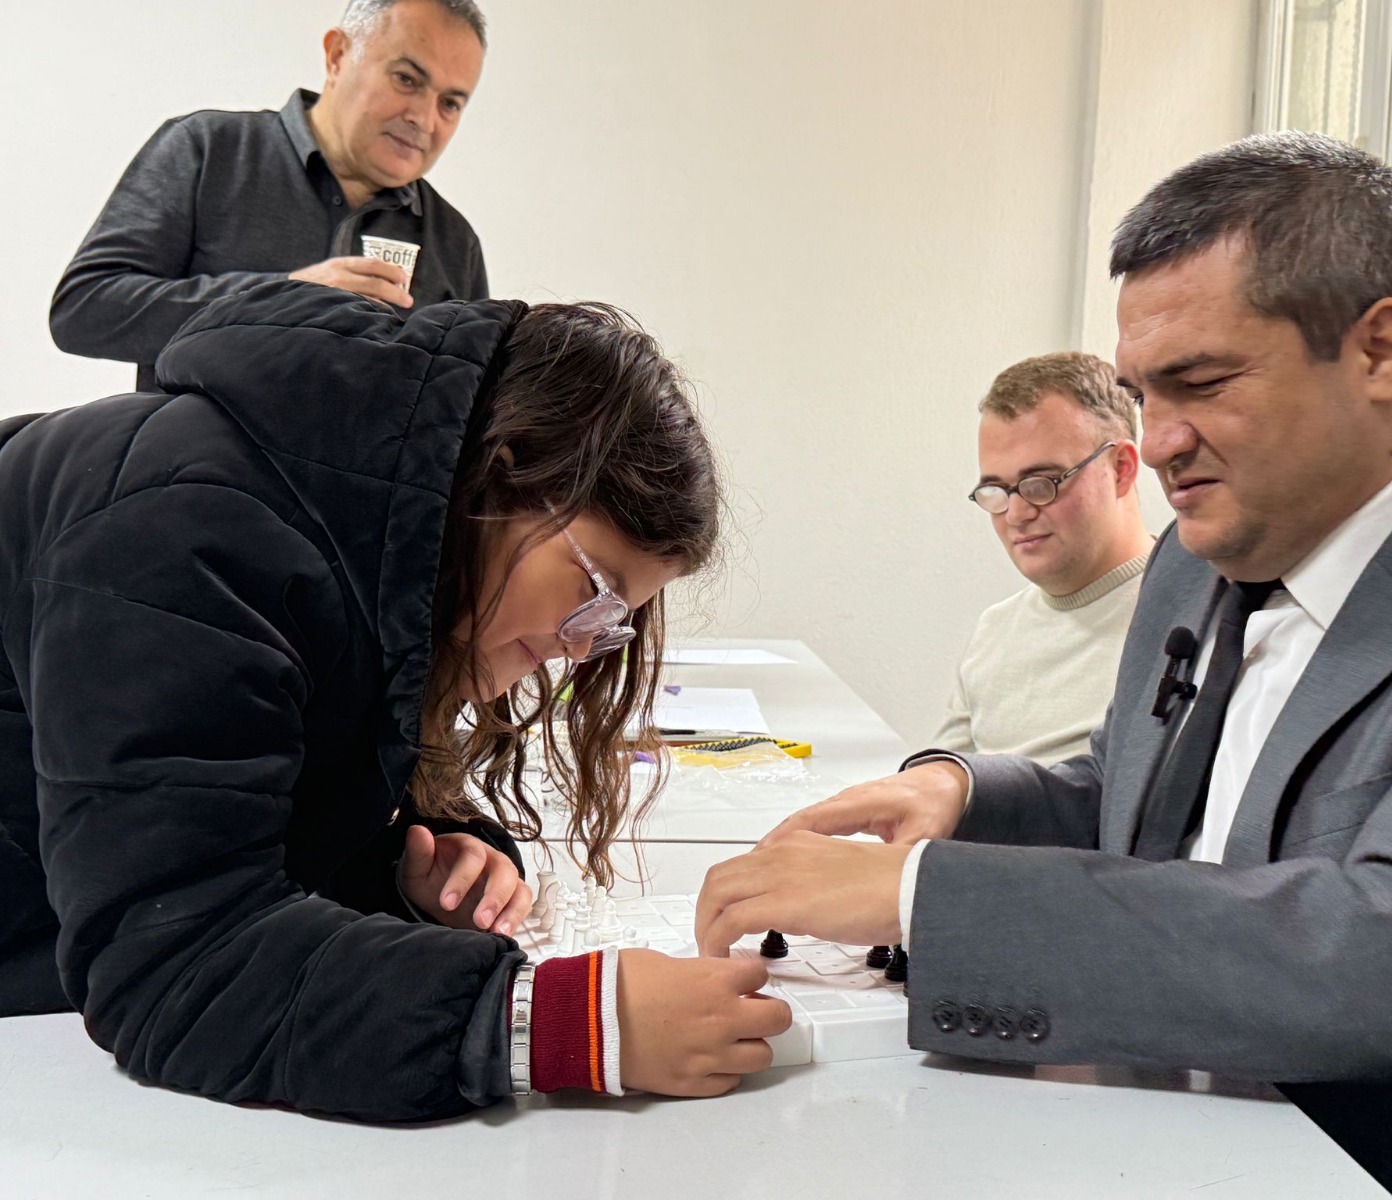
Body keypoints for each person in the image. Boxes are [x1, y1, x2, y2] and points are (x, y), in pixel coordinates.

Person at [696, 132, 1392, 1200]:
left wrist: (918, 896)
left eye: (1201, 383)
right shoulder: (1197, 557)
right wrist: (960, 795)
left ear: (1379, 351)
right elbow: (1135, 806)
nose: (1160, 443)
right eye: (1141, 393)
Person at [0, 280, 789, 1116]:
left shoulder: (344, 527)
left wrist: (409, 864)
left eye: (612, 626)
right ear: (503, 470)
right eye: (593, 592)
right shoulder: (184, 535)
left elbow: (224, 802)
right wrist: (561, 1022)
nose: (579, 646)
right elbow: (175, 962)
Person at [51, 0, 491, 392]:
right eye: (406, 79)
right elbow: (84, 309)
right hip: (192, 480)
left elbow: (473, 406)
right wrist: (281, 297)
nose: (424, 118)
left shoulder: (456, 242)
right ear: (338, 56)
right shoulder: (208, 149)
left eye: (450, 104)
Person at [933, 352, 1151, 764]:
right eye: (996, 490)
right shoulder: (995, 630)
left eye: (1042, 483)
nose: (1016, 514)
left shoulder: (1192, 621)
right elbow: (935, 787)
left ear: (1121, 469)